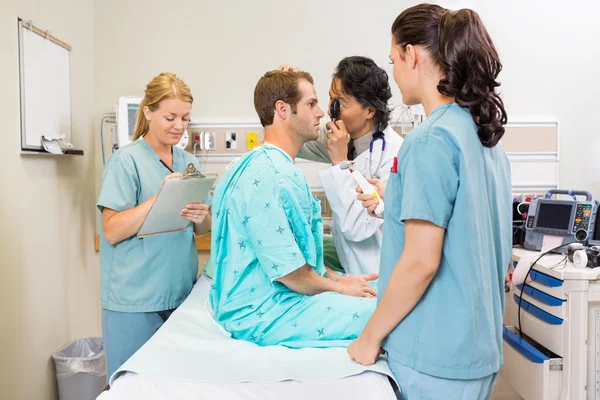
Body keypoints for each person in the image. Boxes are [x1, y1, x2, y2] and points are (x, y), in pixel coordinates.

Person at [347, 4, 512, 399]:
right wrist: (398, 200)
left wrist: (370, 337)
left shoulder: (429, 141)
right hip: (478, 350)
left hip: (435, 358)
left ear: (412, 54)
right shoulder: (482, 135)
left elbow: (422, 262)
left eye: (393, 60)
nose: (394, 73)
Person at [209, 70, 378, 348]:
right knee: (384, 313)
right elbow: (291, 273)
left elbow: (301, 258)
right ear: (282, 109)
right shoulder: (270, 175)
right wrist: (339, 287)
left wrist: (342, 278)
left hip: (269, 299)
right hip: (262, 312)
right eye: (311, 104)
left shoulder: (257, 165)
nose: (322, 113)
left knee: (377, 292)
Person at [97, 72, 212, 380]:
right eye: (170, 117)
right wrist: (159, 198)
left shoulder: (189, 162)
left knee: (174, 386)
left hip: (179, 295)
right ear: (148, 112)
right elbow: (111, 229)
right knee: (132, 387)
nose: (179, 126)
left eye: (185, 118)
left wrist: (204, 218)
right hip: (134, 303)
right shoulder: (125, 162)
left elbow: (202, 229)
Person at [282, 57, 404, 276]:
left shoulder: (394, 156)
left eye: (340, 103)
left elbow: (357, 227)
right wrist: (285, 92)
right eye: (331, 100)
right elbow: (287, 137)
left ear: (369, 110)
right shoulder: (340, 137)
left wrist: (339, 162)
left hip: (377, 273)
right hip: (351, 268)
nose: (331, 110)